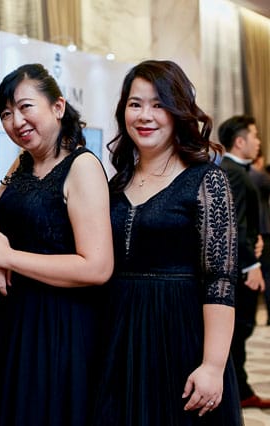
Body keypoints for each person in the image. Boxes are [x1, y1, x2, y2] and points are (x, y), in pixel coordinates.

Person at [94, 60, 242, 425]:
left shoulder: (206, 180)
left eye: (158, 105)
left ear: (178, 112)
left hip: (180, 335)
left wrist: (213, 365)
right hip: (118, 336)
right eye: (135, 104)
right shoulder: (115, 184)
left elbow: (220, 280)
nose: (145, 116)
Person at [0, 63, 114, 425]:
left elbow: (97, 267)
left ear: (58, 107)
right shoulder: (22, 163)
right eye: (6, 114)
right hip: (13, 319)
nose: (16, 121)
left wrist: (9, 258)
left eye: (25, 107)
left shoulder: (82, 167)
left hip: (60, 327)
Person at [219, 115, 270, 409]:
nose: (258, 142)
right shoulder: (234, 173)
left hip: (241, 260)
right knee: (239, 329)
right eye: (255, 135)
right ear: (240, 141)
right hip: (240, 268)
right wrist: (252, 265)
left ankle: (240, 388)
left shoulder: (233, 170)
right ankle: (236, 391)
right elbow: (233, 225)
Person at [249, 150, 270, 326]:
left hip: (251, 231)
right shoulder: (260, 176)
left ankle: (251, 316)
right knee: (267, 274)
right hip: (264, 229)